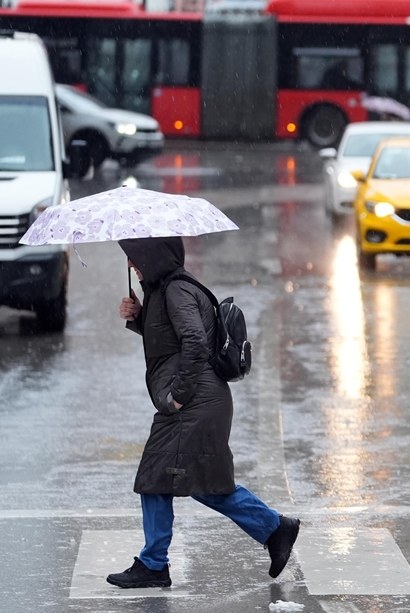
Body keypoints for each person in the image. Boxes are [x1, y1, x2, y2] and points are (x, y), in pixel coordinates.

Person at [107, 236, 299, 589]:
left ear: (152, 256)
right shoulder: (166, 290)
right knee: (200, 483)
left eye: (135, 258)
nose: (132, 265)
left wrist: (178, 396)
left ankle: (153, 563)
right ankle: (274, 528)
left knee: (157, 478)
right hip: (200, 402)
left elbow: (194, 341)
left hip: (193, 403)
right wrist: (138, 317)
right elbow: (170, 341)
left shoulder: (176, 291)